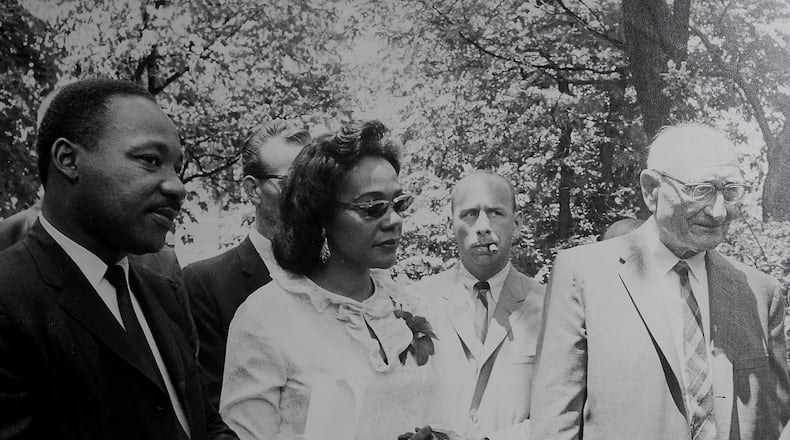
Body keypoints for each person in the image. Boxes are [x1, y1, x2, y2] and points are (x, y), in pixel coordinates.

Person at [0, 78, 237, 439]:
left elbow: (202, 424)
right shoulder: (9, 297)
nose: (177, 186)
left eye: (177, 167)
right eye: (150, 160)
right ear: (68, 160)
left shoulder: (164, 293)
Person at [530, 123, 790, 439]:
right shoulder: (583, 276)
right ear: (652, 189)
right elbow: (555, 425)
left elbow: (773, 423)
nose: (718, 211)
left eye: (730, 191)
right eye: (701, 190)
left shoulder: (761, 293)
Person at [220, 120, 439, 440]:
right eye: (373, 207)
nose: (393, 220)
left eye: (399, 203)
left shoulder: (404, 303)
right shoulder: (265, 318)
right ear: (321, 215)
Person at [183, 119, 310, 408]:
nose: (308, 195)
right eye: (292, 182)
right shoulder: (206, 283)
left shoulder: (335, 275)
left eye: (315, 181)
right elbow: (212, 411)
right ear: (253, 190)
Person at [413, 171, 545, 440]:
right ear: (451, 224)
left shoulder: (546, 307)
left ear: (517, 223)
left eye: (496, 212)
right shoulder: (417, 301)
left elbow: (559, 409)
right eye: (470, 214)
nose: (483, 226)